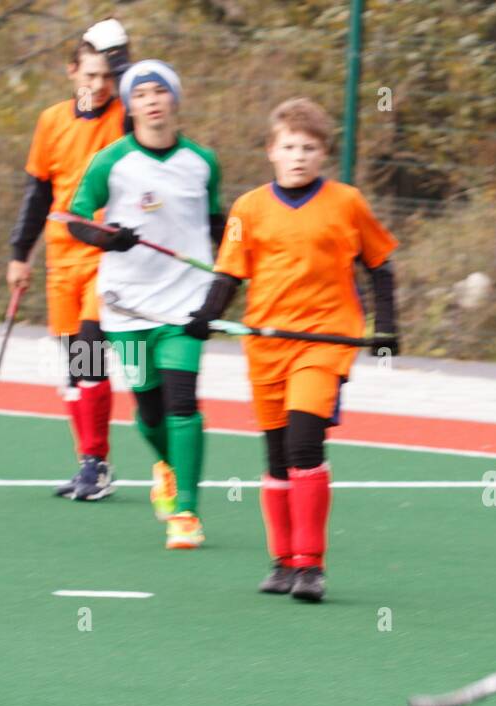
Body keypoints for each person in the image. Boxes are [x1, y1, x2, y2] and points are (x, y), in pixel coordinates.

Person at [186, 98, 398, 601]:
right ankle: (282, 561)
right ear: (271, 151)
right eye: (288, 147)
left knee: (305, 444)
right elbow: (230, 273)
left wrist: (387, 326)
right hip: (267, 346)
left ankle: (310, 565)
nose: (298, 156)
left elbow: (381, 266)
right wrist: (205, 316)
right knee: (278, 457)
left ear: (323, 153)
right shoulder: (249, 208)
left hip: (324, 342)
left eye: (309, 148)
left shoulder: (346, 203)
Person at [67, 59, 223, 550]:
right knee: (150, 410)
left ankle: (186, 512)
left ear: (174, 100)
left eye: (160, 92)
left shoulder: (203, 162)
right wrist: (108, 239)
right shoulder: (110, 161)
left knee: (182, 401)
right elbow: (74, 219)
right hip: (125, 308)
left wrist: (228, 282)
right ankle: (165, 466)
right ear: (130, 105)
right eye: (141, 94)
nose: (151, 101)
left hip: (185, 304)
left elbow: (219, 227)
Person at [7, 22, 130, 500]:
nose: (99, 85)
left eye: (108, 74)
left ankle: (96, 463)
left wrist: (124, 60)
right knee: (72, 366)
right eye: (91, 73)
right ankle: (88, 462)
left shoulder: (126, 117)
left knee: (91, 350)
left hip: (108, 261)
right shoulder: (51, 121)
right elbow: (37, 194)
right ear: (72, 71)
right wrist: (20, 254)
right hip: (62, 260)